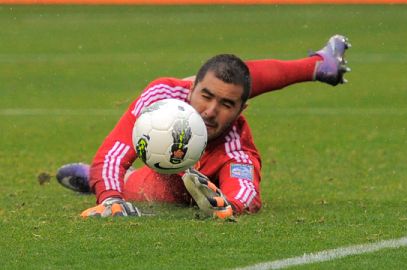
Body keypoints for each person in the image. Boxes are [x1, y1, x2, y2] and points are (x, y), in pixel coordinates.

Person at [56, 35, 351, 219]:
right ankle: (315, 66)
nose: (210, 112)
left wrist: (226, 205)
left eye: (226, 105)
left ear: (241, 111)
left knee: (144, 186)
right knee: (122, 179)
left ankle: (109, 179)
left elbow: (245, 192)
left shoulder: (237, 147)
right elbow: (114, 150)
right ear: (191, 87)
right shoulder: (164, 97)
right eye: (205, 96)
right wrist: (110, 198)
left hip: (172, 187)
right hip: (154, 173)